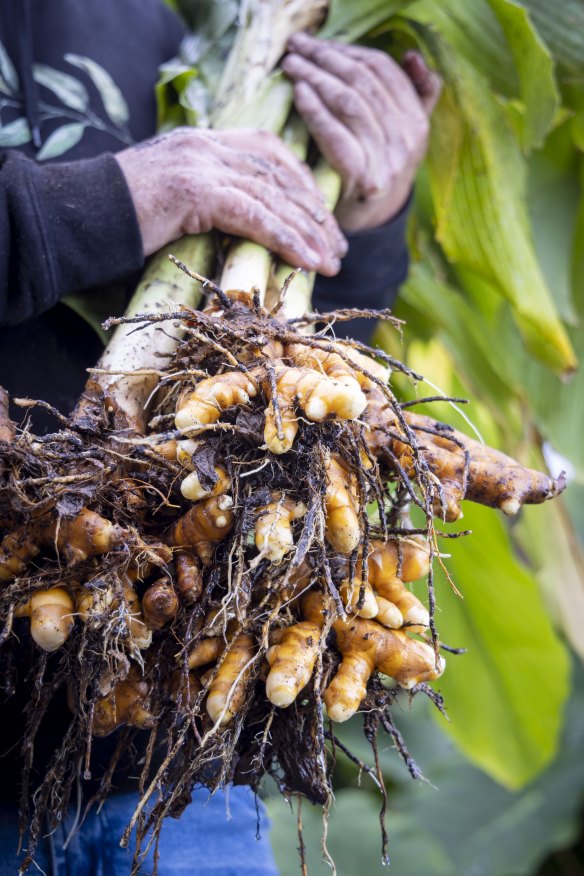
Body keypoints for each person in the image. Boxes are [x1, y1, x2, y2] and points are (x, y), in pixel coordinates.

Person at [0, 2, 440, 873]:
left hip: (179, 768)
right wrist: (124, 196)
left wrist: (366, 207)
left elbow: (300, 390)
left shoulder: (155, 29)